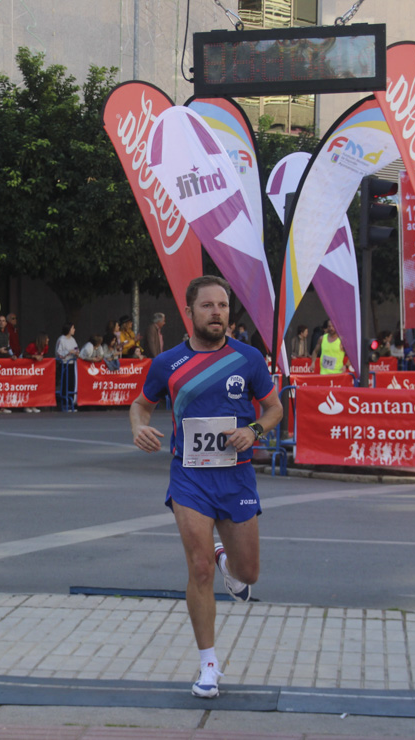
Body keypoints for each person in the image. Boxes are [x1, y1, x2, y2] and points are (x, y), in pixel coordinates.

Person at [129, 275, 283, 700]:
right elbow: (141, 404)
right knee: (198, 569)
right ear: (190, 311)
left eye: (222, 306)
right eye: (208, 306)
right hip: (190, 476)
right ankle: (208, 664)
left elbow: (274, 409)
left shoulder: (248, 359)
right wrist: (139, 427)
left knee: (248, 573)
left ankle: (226, 559)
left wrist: (254, 429)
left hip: (235, 477)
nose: (217, 312)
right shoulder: (168, 363)